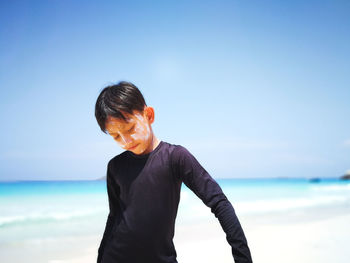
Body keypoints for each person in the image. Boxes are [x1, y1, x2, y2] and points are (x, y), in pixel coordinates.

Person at [94, 81, 253, 263]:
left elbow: (219, 203)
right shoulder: (115, 166)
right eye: (115, 136)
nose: (126, 141)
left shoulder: (175, 157)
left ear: (149, 115)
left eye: (130, 129)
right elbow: (114, 217)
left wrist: (243, 258)